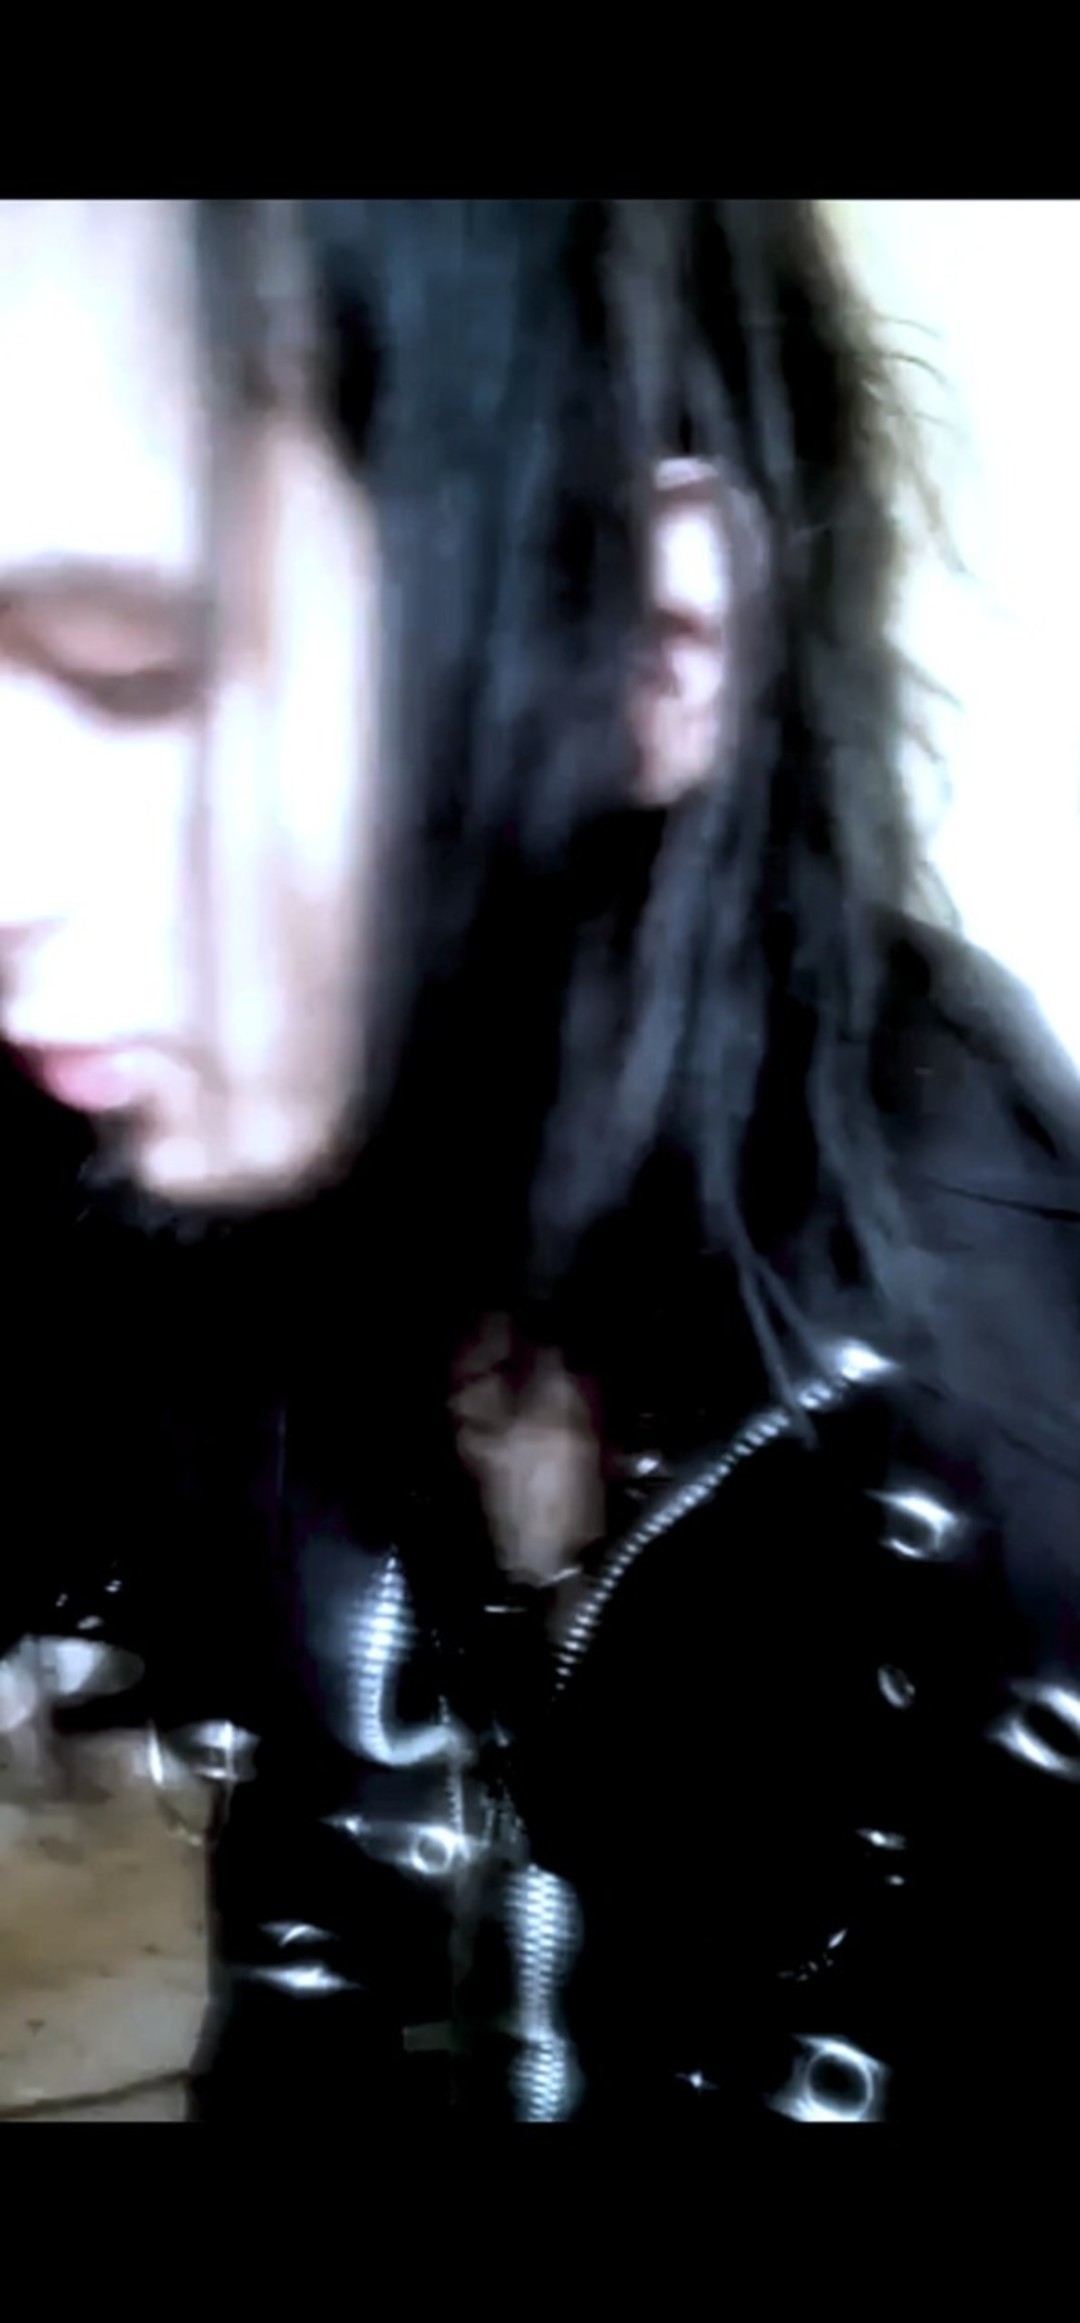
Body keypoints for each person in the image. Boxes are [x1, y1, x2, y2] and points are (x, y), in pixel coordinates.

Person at [2, 197, 1080, 2123]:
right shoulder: (222, 1126)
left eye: (136, 664)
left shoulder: (987, 1393)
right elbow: (330, 1934)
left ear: (652, 650)